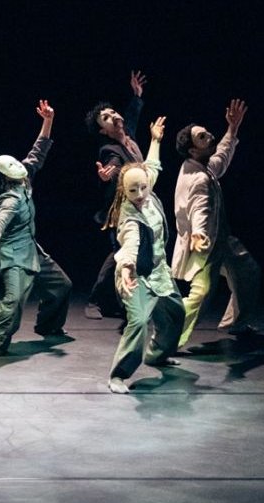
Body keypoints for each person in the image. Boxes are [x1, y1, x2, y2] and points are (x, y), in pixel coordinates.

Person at [0, 100, 73, 360]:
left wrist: (48, 120)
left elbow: (38, 151)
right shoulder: (10, 197)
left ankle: (48, 325)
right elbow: (2, 217)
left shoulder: (24, 176)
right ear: (5, 177)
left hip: (32, 249)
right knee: (14, 299)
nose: (21, 166)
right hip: (12, 255)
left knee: (61, 286)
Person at [103, 117, 184, 394]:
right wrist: (126, 270)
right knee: (138, 321)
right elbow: (130, 243)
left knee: (175, 313)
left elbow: (151, 166)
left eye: (142, 188)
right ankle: (118, 375)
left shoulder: (147, 189)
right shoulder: (128, 215)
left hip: (159, 271)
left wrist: (156, 140)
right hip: (135, 275)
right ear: (124, 191)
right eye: (132, 190)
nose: (139, 194)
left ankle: (157, 355)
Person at [171, 99, 260, 349]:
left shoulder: (200, 165)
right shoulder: (198, 178)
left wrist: (232, 129)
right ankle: (168, 338)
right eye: (202, 137)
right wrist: (199, 235)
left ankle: (236, 322)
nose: (209, 135)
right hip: (205, 246)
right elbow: (199, 209)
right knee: (200, 296)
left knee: (247, 272)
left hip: (221, 239)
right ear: (192, 150)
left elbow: (221, 157)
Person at [83, 70, 147, 320]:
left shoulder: (128, 135)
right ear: (103, 131)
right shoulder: (109, 148)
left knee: (134, 254)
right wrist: (108, 175)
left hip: (139, 208)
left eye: (112, 113)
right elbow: (115, 166)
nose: (113, 117)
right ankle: (95, 300)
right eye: (106, 119)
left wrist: (137, 96)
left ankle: (121, 300)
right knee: (120, 254)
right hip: (120, 212)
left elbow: (131, 116)